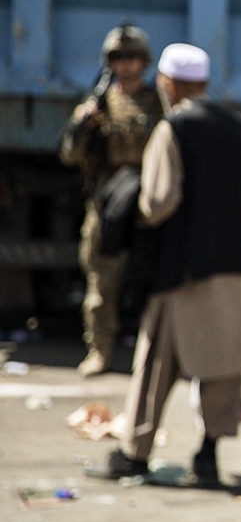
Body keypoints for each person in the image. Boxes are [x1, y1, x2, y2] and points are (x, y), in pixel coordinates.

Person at [85, 43, 241, 484]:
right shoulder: (237, 128)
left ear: (171, 83)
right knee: (223, 366)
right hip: (234, 267)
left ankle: (135, 453)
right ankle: (207, 457)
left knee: (155, 362)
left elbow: (159, 201)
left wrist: (136, 213)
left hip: (184, 270)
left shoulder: (174, 127)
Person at [59, 24, 164, 377]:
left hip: (148, 197)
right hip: (109, 201)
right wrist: (82, 126)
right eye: (117, 57)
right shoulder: (97, 104)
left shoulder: (158, 103)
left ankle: (158, 355)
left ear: (144, 61)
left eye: (131, 56)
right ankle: (99, 350)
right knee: (100, 279)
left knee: (156, 279)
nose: (125, 64)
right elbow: (70, 155)